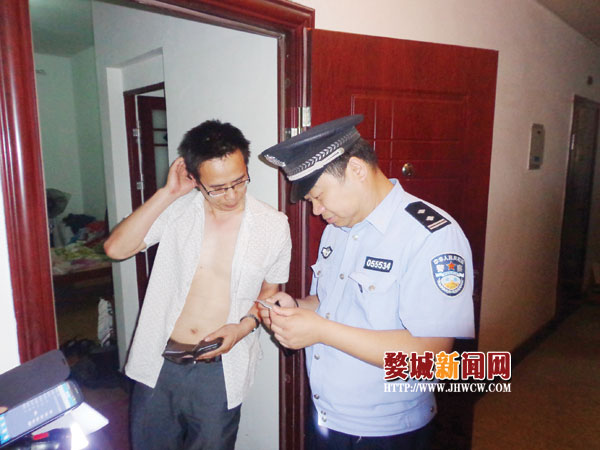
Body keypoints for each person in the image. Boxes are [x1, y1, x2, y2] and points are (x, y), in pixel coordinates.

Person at [258, 115, 474, 449]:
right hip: (327, 416)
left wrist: (320, 331)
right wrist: (296, 308)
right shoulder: (338, 227)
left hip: (388, 430)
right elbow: (331, 302)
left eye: (318, 196)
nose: (316, 210)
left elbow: (431, 356)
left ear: (356, 169)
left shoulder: (430, 236)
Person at [104, 120, 291, 450]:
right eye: (217, 188)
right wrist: (167, 193)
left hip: (218, 370)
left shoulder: (273, 226)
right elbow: (116, 249)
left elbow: (269, 293)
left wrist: (243, 328)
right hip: (159, 362)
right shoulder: (177, 211)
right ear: (195, 179)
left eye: (239, 181)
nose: (231, 195)